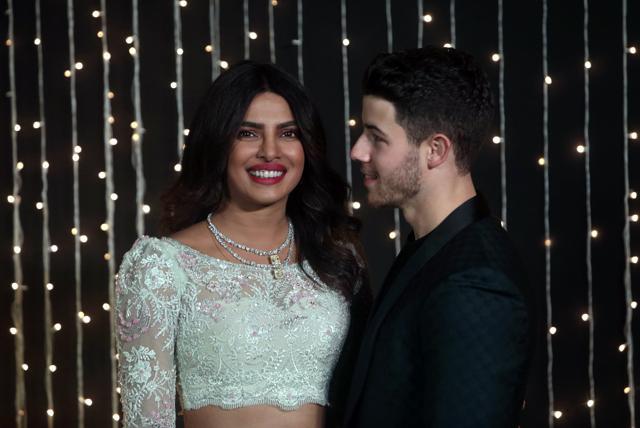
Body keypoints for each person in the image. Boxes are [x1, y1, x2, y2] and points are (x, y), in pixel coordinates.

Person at [115, 61, 370, 428]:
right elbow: (146, 422)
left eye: (288, 133)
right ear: (219, 143)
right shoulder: (162, 266)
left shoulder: (336, 257)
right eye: (248, 133)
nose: (270, 152)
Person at [344, 46, 534, 427]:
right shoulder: (432, 247)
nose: (357, 151)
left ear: (435, 150)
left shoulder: (477, 283)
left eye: (376, 137)